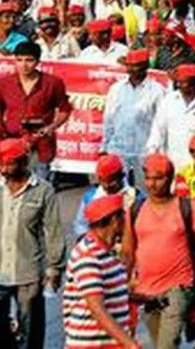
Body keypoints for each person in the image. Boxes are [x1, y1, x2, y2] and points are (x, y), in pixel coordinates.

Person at [125, 154, 195, 349]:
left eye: (158, 178)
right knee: (160, 344)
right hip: (146, 291)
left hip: (178, 288)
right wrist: (122, 284)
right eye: (148, 178)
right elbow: (128, 252)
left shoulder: (187, 207)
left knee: (167, 345)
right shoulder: (136, 209)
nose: (152, 184)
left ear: (170, 178)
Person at [0, 138, 66, 349]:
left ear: (23, 162)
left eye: (9, 164)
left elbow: (53, 231)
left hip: (28, 270)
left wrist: (54, 267)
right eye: (1, 164)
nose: (4, 169)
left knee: (31, 331)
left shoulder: (43, 190)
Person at [63, 195, 139, 349]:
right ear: (113, 220)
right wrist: (130, 344)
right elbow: (97, 308)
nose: (126, 220)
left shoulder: (108, 252)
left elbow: (114, 292)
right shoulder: (88, 255)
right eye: (123, 215)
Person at [0, 41, 73, 181]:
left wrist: (52, 127)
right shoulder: (4, 84)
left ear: (38, 61)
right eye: (19, 60)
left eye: (29, 60)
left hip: (41, 143)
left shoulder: (53, 83)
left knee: (41, 187)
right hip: (12, 142)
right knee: (10, 188)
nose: (24, 65)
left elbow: (64, 109)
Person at [103, 49, 166, 185]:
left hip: (145, 151)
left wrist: (158, 151)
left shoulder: (157, 91)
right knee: (119, 192)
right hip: (119, 149)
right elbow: (109, 118)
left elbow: (161, 123)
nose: (131, 69)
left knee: (145, 191)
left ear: (145, 67)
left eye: (136, 65)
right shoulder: (116, 89)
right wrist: (104, 146)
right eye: (129, 65)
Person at [147, 63, 195, 171]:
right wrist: (152, 152)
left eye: (184, 82)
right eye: (178, 82)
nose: (180, 85)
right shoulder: (168, 101)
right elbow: (158, 130)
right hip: (174, 161)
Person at [71, 154, 142, 238]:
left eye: (111, 182)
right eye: (103, 181)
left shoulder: (136, 197)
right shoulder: (90, 197)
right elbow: (80, 225)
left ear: (121, 176)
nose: (107, 186)